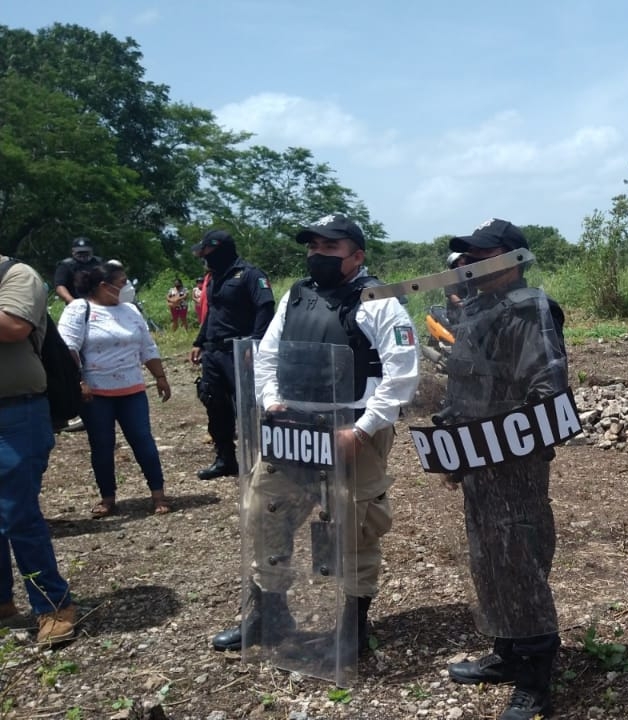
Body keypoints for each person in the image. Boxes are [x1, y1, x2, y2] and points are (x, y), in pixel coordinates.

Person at [211, 213, 419, 660]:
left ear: (356, 256)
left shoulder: (381, 303)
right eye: (313, 248)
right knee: (264, 510)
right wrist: (271, 402)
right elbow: (267, 355)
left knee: (354, 524)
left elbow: (402, 375)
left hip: (352, 431)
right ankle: (269, 614)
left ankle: (353, 627)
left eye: (330, 248)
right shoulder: (295, 296)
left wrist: (361, 431)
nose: (318, 256)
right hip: (293, 432)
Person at [441, 219, 568, 720]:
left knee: (518, 559)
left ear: (511, 258)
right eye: (465, 257)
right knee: (487, 557)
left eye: (480, 255)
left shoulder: (530, 309)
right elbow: (465, 384)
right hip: (474, 457)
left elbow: (547, 390)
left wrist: (496, 439)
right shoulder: (476, 311)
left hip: (512, 459)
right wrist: (451, 441)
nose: (468, 264)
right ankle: (508, 652)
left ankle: (536, 676)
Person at [0, 252, 77, 644]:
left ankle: (53, 604)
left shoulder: (16, 275)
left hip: (15, 412)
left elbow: (13, 326)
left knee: (17, 512)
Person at [59, 263, 172, 518]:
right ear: (103, 286)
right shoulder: (80, 309)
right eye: (122, 282)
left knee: (143, 441)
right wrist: (78, 382)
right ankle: (108, 498)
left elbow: (147, 347)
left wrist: (160, 377)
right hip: (96, 393)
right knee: (101, 445)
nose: (126, 287)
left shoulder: (130, 310)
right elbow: (68, 349)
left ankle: (158, 494)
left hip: (132, 389)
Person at [188, 230, 275, 480]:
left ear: (220, 250)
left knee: (247, 407)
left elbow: (265, 308)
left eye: (207, 253)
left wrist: (255, 345)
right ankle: (225, 458)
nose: (204, 258)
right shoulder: (214, 278)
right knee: (214, 402)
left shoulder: (250, 275)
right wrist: (199, 341)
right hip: (213, 351)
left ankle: (259, 460)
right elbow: (213, 313)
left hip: (239, 351)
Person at [52, 237, 103, 304]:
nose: (83, 255)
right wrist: (73, 302)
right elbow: (60, 286)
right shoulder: (66, 265)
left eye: (86, 252)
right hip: (76, 301)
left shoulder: (99, 263)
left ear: (91, 251)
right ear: (73, 252)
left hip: (99, 303)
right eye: (79, 252)